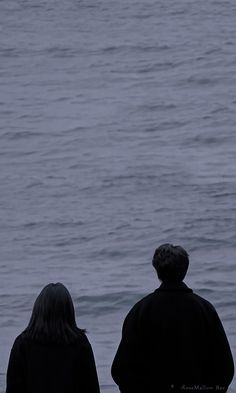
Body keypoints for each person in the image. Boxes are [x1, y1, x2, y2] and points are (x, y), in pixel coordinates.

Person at [111, 244, 234, 393]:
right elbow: (225, 367)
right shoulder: (204, 309)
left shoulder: (140, 310)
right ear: (185, 269)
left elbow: (121, 369)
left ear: (157, 270)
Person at [6, 282, 100, 393]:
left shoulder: (22, 343)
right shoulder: (80, 343)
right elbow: (91, 387)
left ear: (38, 309)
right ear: (69, 310)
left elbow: (13, 388)